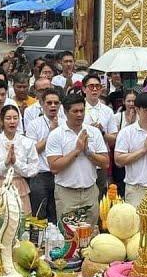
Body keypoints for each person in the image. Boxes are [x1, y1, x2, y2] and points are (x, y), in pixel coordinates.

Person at [46, 94, 109, 227]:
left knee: (90, 234)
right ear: (65, 112)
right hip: (66, 193)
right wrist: (76, 151)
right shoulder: (56, 135)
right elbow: (54, 167)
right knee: (68, 236)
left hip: (90, 192)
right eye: (75, 111)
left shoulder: (94, 132)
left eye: (82, 110)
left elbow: (105, 162)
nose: (79, 114)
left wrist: (88, 152)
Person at [0, 105, 39, 214]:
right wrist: (4, 164)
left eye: (15, 118)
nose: (12, 122)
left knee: (21, 222)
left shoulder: (27, 143)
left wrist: (16, 163)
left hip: (19, 186)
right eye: (8, 118)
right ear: (2, 120)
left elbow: (34, 169)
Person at [26, 88, 64, 222]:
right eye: (49, 103)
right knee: (38, 215)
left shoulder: (65, 123)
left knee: (57, 215)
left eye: (56, 103)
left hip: (60, 175)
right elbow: (32, 151)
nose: (53, 106)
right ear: (42, 104)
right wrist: (51, 133)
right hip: (40, 175)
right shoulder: (34, 125)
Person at [82, 73, 118, 198]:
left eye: (97, 86)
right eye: (91, 86)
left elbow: (114, 139)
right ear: (84, 89)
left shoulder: (107, 111)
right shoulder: (78, 109)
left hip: (101, 159)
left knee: (101, 196)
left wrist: (102, 132)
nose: (95, 89)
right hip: (82, 158)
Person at [112, 89, 139, 196]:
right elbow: (116, 137)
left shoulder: (141, 117)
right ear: (124, 102)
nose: (131, 104)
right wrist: (129, 124)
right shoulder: (118, 117)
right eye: (129, 101)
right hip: (122, 156)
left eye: (134, 101)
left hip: (136, 155)